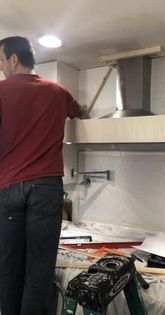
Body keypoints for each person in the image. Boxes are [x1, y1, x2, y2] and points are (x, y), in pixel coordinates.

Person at [0, 36, 88, 315]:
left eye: (1, 61)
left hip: (8, 186)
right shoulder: (58, 91)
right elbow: (79, 112)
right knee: (39, 269)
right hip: (46, 187)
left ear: (13, 59)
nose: (1, 68)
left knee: (10, 265)